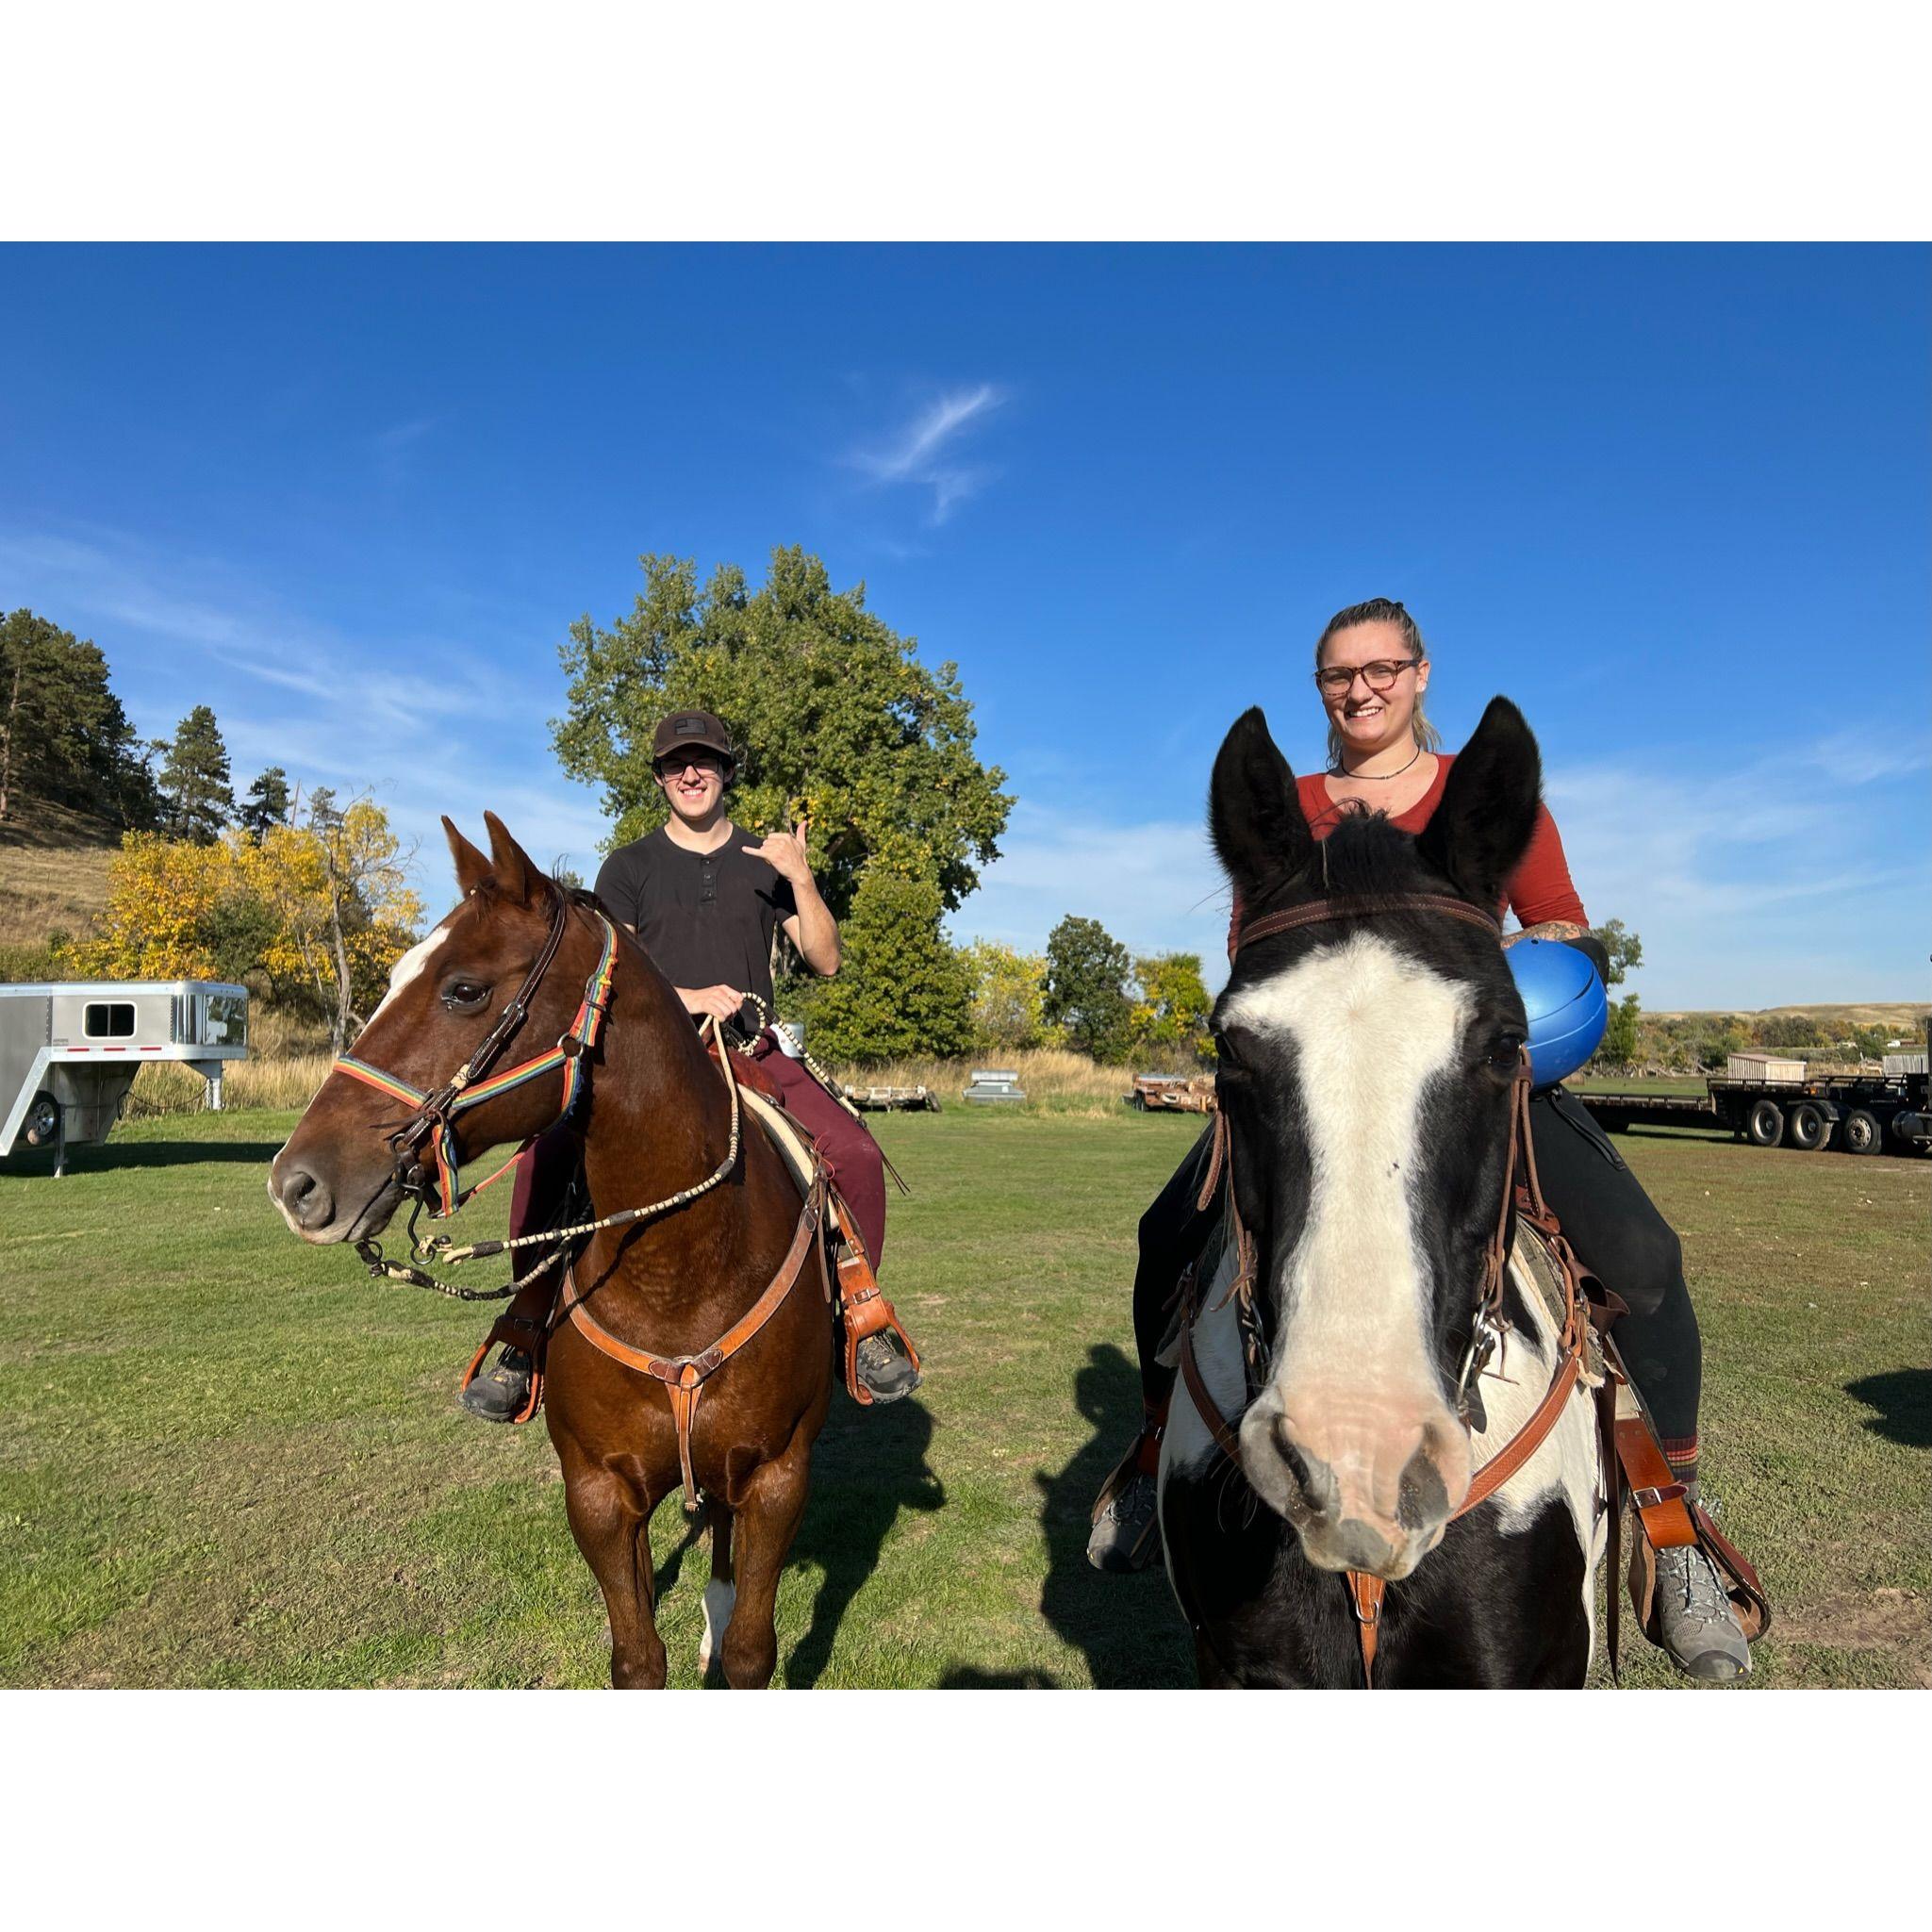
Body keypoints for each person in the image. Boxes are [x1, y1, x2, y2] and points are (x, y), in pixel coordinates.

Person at [1087, 598, 1751, 1681]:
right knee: (1169, 1233)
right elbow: (1258, 946)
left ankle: (1674, 1516)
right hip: (1320, 1077)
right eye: (1338, 675)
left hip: (1460, 1069)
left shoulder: (1479, 804)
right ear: (1322, 689)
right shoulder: (1291, 808)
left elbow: (1562, 925)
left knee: (1643, 1258)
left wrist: (1532, 970)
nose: (1361, 689)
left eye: (1381, 668)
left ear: (1420, 673)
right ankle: (1158, 1447)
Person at [460, 706, 919, 1418]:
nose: (692, 773)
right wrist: (684, 996)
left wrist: (800, 878)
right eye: (677, 763)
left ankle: (858, 1318)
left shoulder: (766, 865)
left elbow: (826, 959)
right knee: (542, 1160)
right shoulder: (629, 866)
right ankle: (525, 1328)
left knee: (855, 1154)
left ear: (727, 771)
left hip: (747, 1050)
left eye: (705, 760)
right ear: (659, 777)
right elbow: (608, 977)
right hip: (647, 1059)